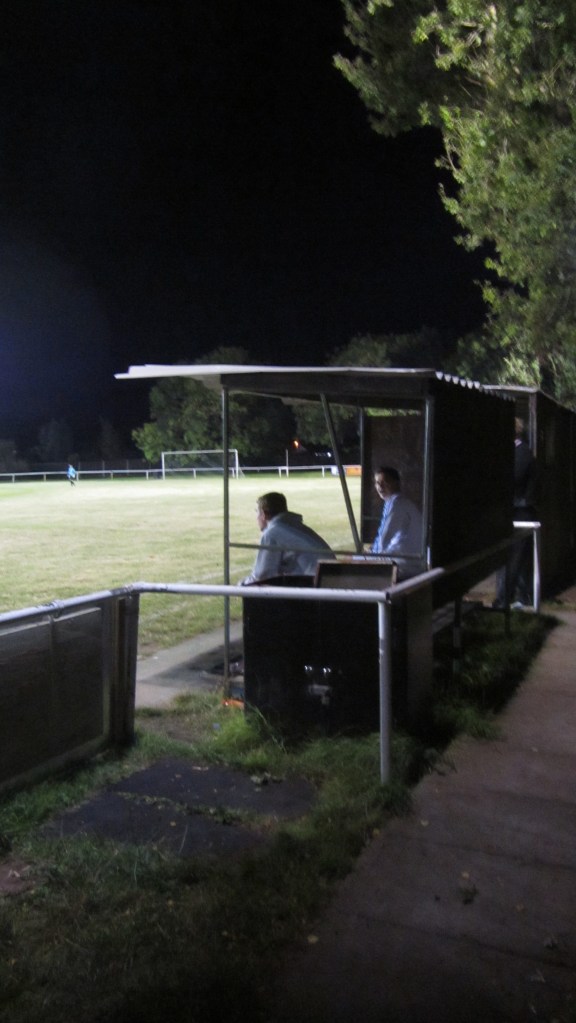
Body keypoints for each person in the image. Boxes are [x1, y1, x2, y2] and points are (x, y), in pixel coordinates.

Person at [240, 491, 333, 585]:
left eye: (257, 512)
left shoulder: (272, 533)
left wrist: (240, 585)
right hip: (331, 578)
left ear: (264, 514)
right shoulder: (294, 526)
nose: (256, 518)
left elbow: (261, 576)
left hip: (317, 585)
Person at [494, 417, 538, 608]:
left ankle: (504, 599)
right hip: (515, 510)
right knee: (516, 558)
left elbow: (513, 479)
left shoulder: (521, 453)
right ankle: (521, 596)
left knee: (512, 558)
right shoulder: (518, 452)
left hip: (520, 512)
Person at [371, 466, 423, 578]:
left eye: (385, 482)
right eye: (377, 483)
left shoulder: (396, 503)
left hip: (403, 566)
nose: (380, 487)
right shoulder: (403, 502)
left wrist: (373, 556)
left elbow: (384, 538)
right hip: (410, 562)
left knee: (354, 560)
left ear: (396, 483)